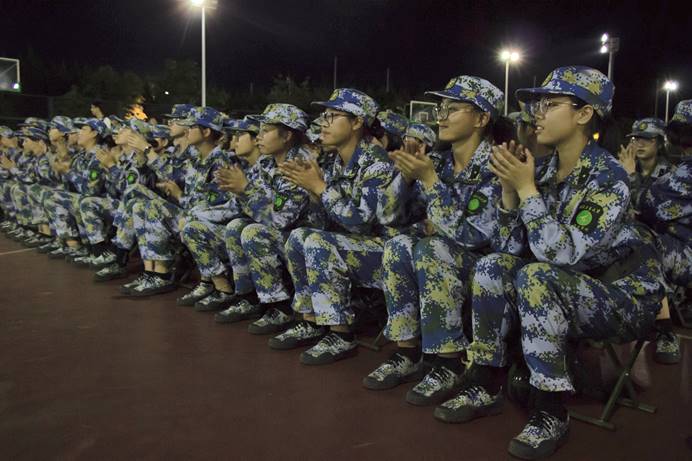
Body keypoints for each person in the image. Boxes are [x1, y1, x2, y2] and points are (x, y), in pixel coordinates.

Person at [433, 67, 665, 460]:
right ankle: (485, 382)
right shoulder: (540, 170)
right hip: (567, 286)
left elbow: (561, 254)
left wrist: (526, 190)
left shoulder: (608, 177)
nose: (537, 114)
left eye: (551, 104)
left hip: (620, 299)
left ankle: (550, 410)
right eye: (537, 105)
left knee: (537, 276)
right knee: (492, 267)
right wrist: (509, 193)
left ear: (584, 114)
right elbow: (507, 249)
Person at [363, 76, 505, 408]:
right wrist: (406, 177)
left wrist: (430, 182)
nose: (441, 116)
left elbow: (473, 236)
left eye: (452, 109)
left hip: (486, 273)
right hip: (443, 262)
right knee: (398, 244)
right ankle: (408, 352)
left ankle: (448, 361)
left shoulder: (497, 164)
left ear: (482, 118)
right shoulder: (439, 162)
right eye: (441, 108)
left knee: (431, 247)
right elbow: (387, 216)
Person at [271, 88, 396, 365]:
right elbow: (326, 221)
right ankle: (311, 319)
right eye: (324, 116)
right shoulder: (334, 162)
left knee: (318, 242)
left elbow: (361, 223)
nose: (324, 123)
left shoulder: (377, 164)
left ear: (357, 122)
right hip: (350, 246)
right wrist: (314, 193)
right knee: (299, 237)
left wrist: (320, 188)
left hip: (385, 253)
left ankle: (341, 334)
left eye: (332, 116)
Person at [212, 104, 314, 335]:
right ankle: (248, 297)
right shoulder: (267, 162)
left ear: (287, 136)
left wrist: (246, 190)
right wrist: (242, 192)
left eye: (266, 130)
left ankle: (279, 306)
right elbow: (248, 206)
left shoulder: (299, 165)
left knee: (253, 232)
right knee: (236, 226)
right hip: (284, 235)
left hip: (304, 239)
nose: (259, 136)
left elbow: (280, 220)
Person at [123, 106, 231, 297]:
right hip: (190, 216)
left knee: (155, 207)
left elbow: (211, 208)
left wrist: (179, 195)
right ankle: (153, 273)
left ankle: (163, 274)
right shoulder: (197, 158)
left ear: (206, 132)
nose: (187, 130)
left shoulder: (219, 162)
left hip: (209, 226)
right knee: (143, 206)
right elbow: (172, 174)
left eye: (192, 127)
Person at [639, 100, 692, 337]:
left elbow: (649, 204)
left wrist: (630, 176)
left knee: (639, 241)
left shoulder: (685, 172)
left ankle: (663, 328)